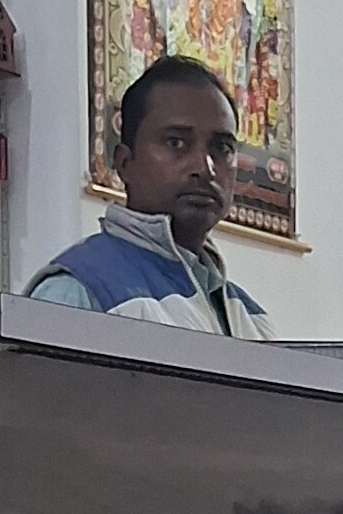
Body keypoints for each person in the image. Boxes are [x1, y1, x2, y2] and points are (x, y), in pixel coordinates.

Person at [28, 55, 268, 336]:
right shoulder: (79, 291)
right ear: (125, 163)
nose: (205, 168)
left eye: (222, 148)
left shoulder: (252, 318)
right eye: (176, 142)